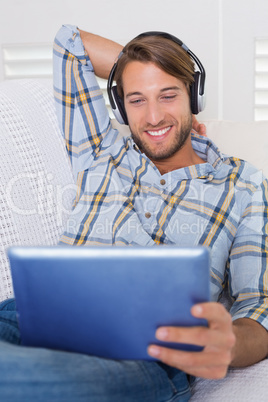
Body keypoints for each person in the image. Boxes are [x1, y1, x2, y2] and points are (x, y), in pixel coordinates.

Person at [0, 24, 267, 401]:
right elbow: (69, 43)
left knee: (25, 379)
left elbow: (258, 305)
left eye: (169, 94)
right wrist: (140, 68)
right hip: (38, 315)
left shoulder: (242, 184)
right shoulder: (101, 150)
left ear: (194, 95)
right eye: (137, 99)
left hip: (145, 352)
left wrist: (230, 344)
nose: (154, 117)